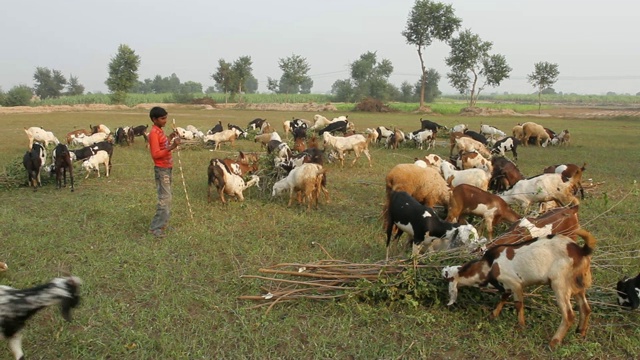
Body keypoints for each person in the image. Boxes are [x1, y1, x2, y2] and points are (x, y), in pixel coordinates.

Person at [147, 106, 180, 238]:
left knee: (167, 197)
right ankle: (155, 228)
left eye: (166, 117)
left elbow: (163, 146)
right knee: (165, 199)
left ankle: (162, 225)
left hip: (167, 167)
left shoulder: (160, 131)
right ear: (154, 119)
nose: (165, 121)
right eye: (162, 118)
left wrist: (170, 138)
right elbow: (155, 154)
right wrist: (172, 146)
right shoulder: (153, 133)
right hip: (162, 170)